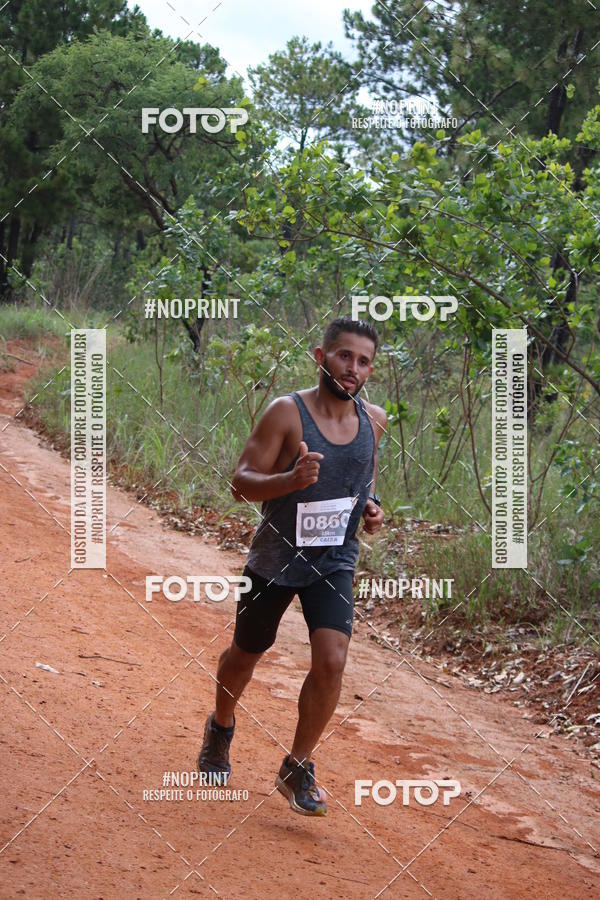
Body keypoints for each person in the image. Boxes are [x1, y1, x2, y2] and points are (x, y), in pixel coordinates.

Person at [197, 316, 387, 816]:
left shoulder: (375, 419)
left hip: (335, 559)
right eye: (345, 356)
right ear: (321, 357)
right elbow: (240, 483)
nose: (353, 368)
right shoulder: (287, 412)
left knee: (332, 660)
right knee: (245, 654)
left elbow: (362, 480)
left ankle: (297, 765)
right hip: (276, 557)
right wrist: (291, 480)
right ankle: (220, 727)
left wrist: (372, 509)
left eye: (364, 361)